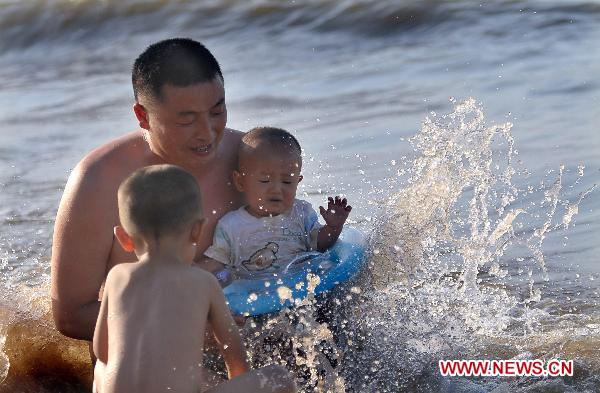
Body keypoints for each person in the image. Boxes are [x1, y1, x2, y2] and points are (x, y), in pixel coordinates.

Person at [51, 38, 245, 344]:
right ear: (143, 116)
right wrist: (181, 329)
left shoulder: (249, 158)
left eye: (217, 111)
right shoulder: (99, 181)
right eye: (187, 119)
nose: (207, 132)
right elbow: (71, 315)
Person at [92, 164, 296, 393]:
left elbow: (102, 349)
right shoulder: (203, 282)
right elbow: (234, 355)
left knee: (101, 368)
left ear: (124, 238)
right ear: (197, 230)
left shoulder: (116, 277)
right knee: (279, 377)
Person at [201, 127, 352, 280]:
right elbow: (217, 263)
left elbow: (320, 245)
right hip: (260, 296)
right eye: (265, 180)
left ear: (297, 183)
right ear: (241, 182)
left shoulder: (301, 212)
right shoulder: (231, 225)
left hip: (304, 286)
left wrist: (333, 227)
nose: (276, 189)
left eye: (287, 181)